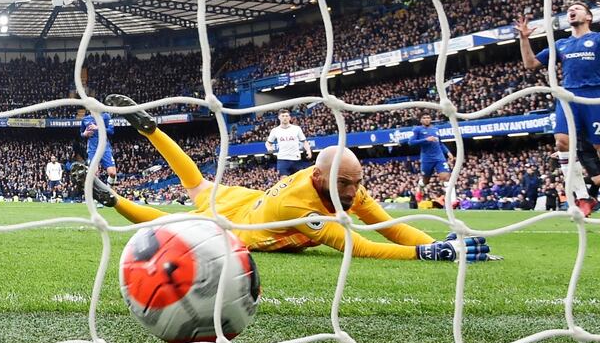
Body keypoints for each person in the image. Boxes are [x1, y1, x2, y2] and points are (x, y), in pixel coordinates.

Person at [72, 94, 498, 262]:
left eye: (355, 183)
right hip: (240, 225)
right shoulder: (301, 206)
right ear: (318, 177)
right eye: (344, 185)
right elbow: (363, 247)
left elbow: (389, 227)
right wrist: (427, 257)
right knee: (175, 225)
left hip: (252, 199)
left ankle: (149, 128)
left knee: (197, 184)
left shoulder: (347, 187)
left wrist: (441, 243)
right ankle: (113, 200)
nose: (352, 194)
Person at [516, 2, 600, 228]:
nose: (571, 11)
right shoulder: (561, 44)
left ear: (589, 17)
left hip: (596, 96)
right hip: (568, 96)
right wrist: (524, 39)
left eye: (577, 8)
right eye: (569, 10)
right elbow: (531, 64)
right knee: (562, 142)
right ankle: (583, 198)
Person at [408, 113, 455, 194]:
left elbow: (440, 143)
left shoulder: (435, 129)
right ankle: (421, 184)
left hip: (439, 158)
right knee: (426, 180)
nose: (426, 119)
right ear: (421, 120)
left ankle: (452, 201)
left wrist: (448, 152)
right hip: (427, 159)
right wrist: (426, 140)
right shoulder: (417, 129)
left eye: (428, 117)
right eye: (424, 118)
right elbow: (411, 142)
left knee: (446, 177)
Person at [265, 109, 312, 176]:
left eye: (287, 116)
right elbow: (268, 142)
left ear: (290, 117)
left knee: (298, 180)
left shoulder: (296, 129)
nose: (285, 118)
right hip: (283, 159)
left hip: (296, 159)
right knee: (284, 181)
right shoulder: (275, 130)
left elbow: (304, 141)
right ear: (279, 117)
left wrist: (308, 151)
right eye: (283, 116)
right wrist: (269, 148)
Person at [81, 110, 117, 185]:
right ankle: (96, 192)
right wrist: (85, 134)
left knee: (112, 173)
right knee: (94, 172)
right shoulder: (85, 119)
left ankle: (108, 188)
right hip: (92, 149)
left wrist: (98, 127)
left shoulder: (105, 116)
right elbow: (81, 133)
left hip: (105, 148)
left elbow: (111, 131)